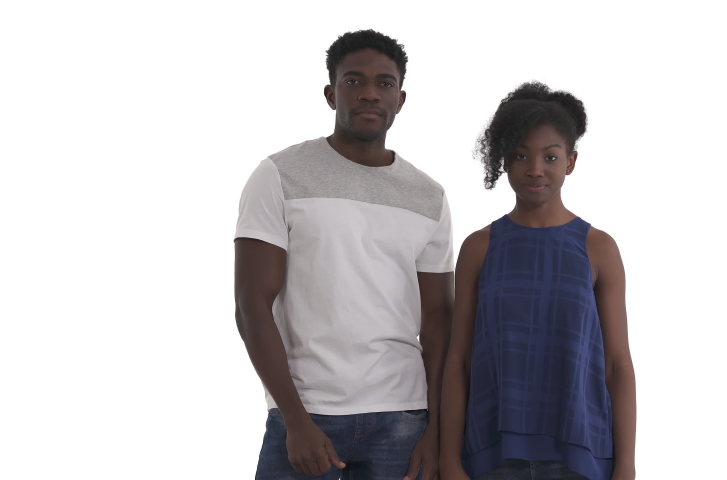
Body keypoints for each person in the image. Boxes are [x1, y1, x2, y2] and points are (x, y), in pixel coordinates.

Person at [234, 30, 454, 480]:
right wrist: (294, 418)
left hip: (403, 418)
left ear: (401, 98)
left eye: (384, 83)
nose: (370, 93)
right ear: (331, 93)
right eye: (354, 81)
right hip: (307, 412)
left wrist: (435, 432)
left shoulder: (429, 196)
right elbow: (250, 305)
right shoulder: (280, 175)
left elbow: (437, 321)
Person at [439, 82, 636, 480]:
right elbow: (458, 360)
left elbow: (618, 365)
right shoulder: (480, 247)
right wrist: (449, 459)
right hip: (491, 457)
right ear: (503, 161)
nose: (534, 169)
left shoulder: (599, 248)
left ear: (571, 161)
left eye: (550, 156)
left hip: (581, 459)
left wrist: (626, 467)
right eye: (520, 156)